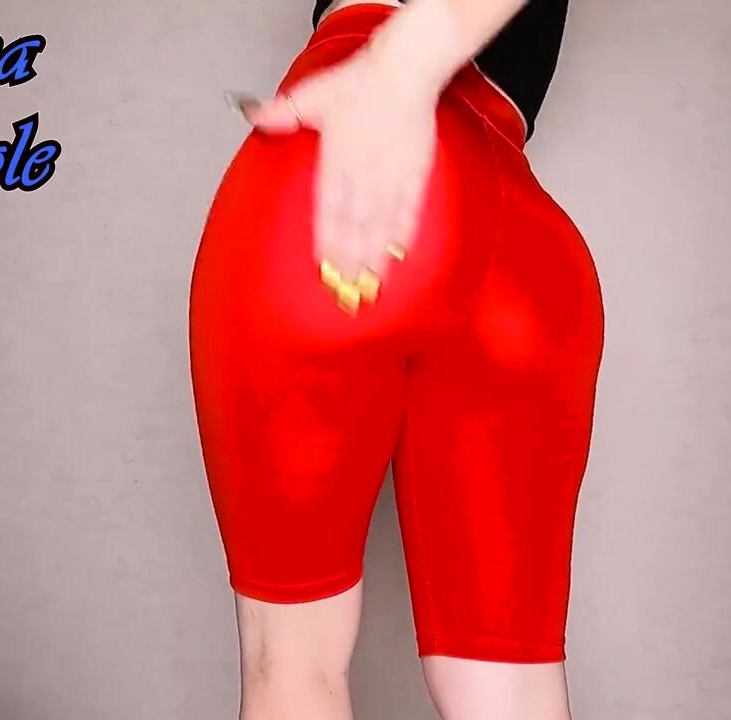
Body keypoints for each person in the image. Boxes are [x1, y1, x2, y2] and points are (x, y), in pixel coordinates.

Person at [188, 0, 603, 717]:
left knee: (293, 664)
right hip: (528, 246)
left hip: (351, 162)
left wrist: (400, 66)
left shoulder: (383, 86)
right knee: (513, 695)